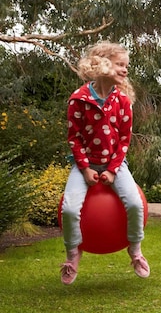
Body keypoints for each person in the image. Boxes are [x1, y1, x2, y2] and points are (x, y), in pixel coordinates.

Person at [60, 42, 149, 285]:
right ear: (103, 63)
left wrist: (111, 170)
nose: (125, 70)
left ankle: (135, 249)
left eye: (126, 66)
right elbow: (74, 139)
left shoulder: (123, 101)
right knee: (69, 208)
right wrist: (85, 168)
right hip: (84, 165)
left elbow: (124, 140)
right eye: (120, 64)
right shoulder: (78, 99)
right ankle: (72, 254)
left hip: (115, 165)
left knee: (134, 203)